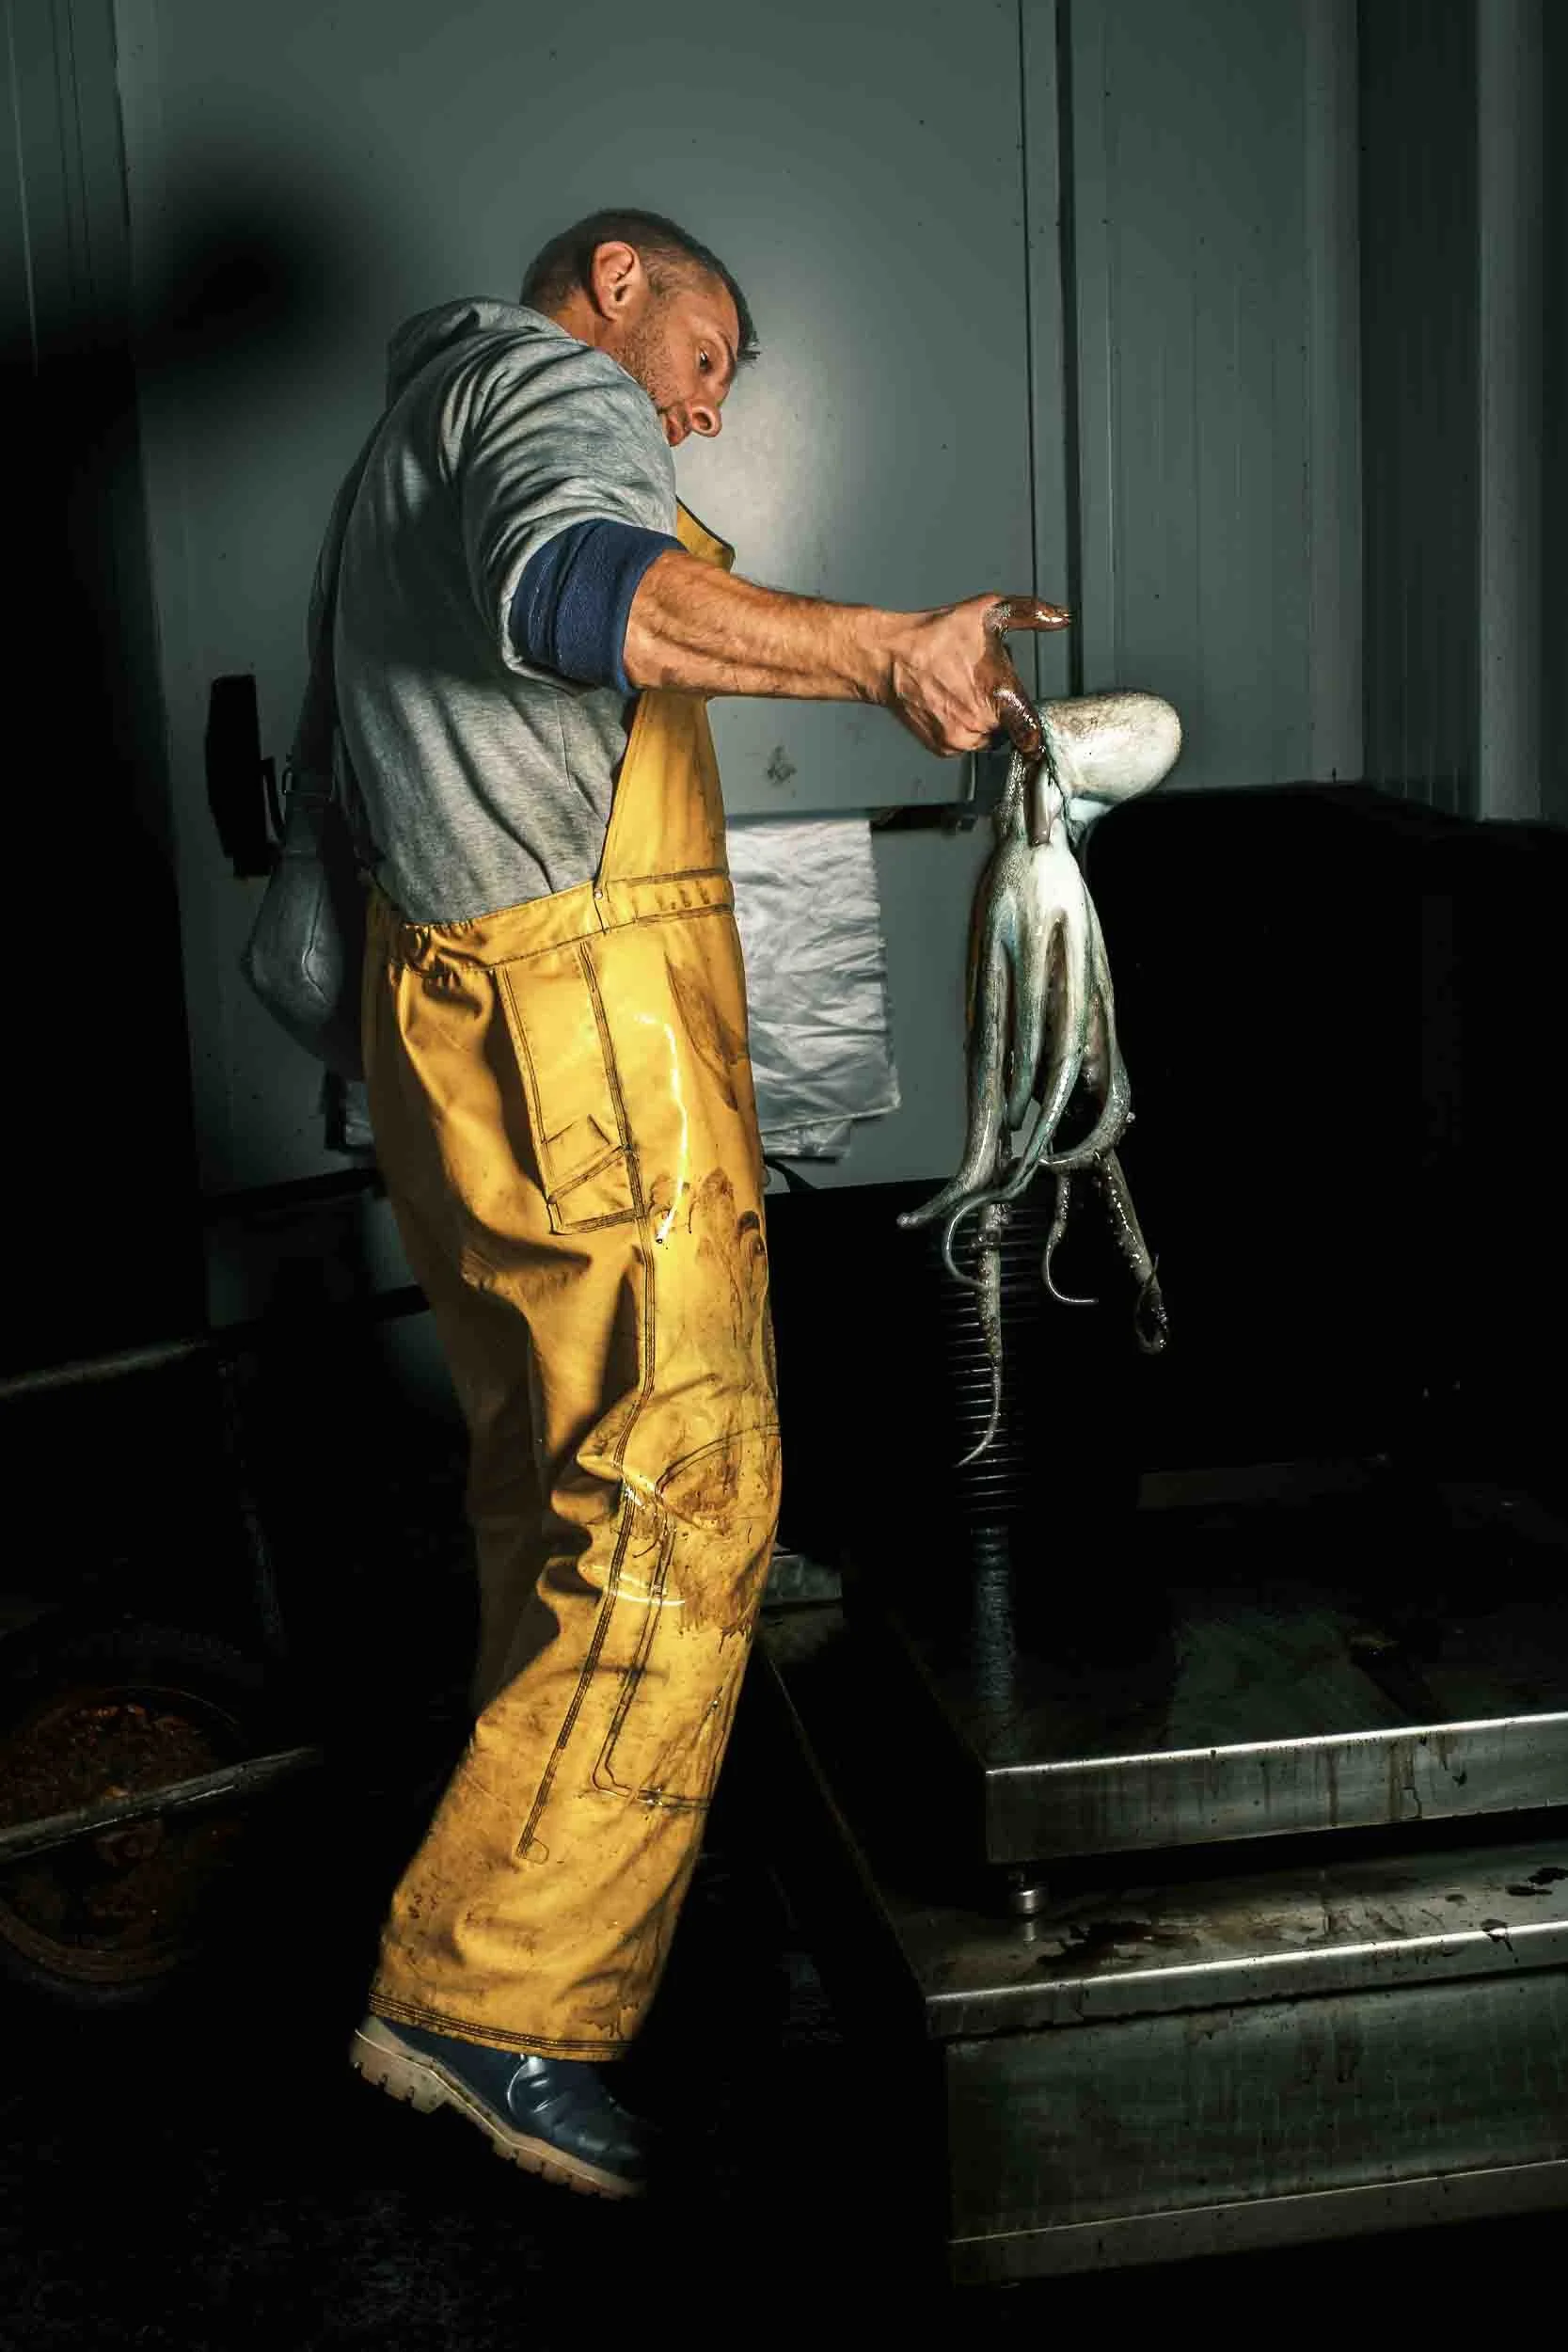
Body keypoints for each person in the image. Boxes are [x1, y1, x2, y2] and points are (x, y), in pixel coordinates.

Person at [339, 207, 1069, 2199]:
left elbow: (369, 766)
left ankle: (509, 1906)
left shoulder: (411, 432)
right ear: (615, 283)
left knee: (552, 1489)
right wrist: (887, 650)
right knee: (684, 1486)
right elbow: (578, 593)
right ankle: (495, 2001)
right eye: (704, 347)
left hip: (466, 1023)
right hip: (582, 1023)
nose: (704, 399)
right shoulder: (546, 387)